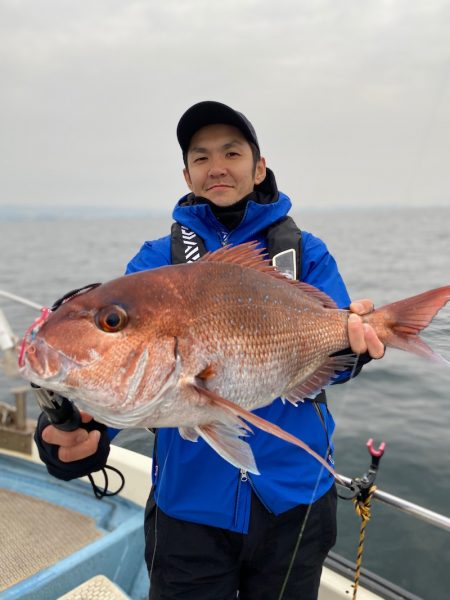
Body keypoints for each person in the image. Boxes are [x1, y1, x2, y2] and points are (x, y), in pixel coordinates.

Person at [35, 101, 385, 600]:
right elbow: (133, 365)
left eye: (231, 152)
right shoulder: (157, 261)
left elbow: (336, 361)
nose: (216, 166)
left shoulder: (307, 253)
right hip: (189, 507)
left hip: (296, 497)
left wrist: (359, 349)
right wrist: (76, 428)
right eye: (200, 157)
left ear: (258, 166)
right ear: (187, 173)